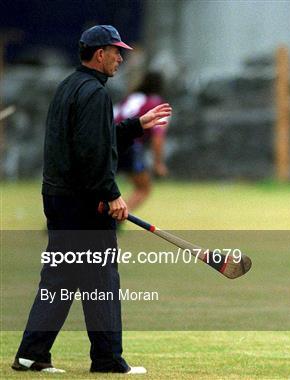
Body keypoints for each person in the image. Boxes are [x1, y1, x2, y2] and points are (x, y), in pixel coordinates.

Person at [12, 25, 171, 374]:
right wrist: (111, 194)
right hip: (85, 204)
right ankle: (108, 359)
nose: (121, 57)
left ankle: (31, 354)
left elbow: (97, 138)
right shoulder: (95, 94)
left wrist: (136, 125)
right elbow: (91, 151)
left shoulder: (70, 86)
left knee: (61, 279)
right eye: (116, 52)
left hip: (59, 199)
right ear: (100, 54)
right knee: (101, 281)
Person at [114, 71, 169, 212]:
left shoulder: (129, 98)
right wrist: (158, 163)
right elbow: (158, 137)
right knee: (144, 188)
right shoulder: (155, 104)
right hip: (130, 146)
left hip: (109, 142)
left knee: (93, 187)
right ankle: (115, 220)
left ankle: (66, 220)